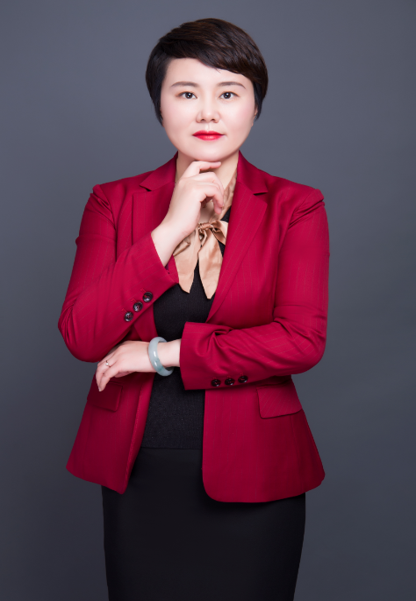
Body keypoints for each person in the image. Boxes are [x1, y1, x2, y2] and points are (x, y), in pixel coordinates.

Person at [58, 17, 329, 601]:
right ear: (160, 105)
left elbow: (301, 340)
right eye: (186, 94)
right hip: (139, 468)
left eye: (228, 93)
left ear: (254, 106)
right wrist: (171, 228)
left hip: (258, 470)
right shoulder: (112, 202)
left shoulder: (297, 207)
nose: (208, 112)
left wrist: (163, 354)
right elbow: (82, 335)